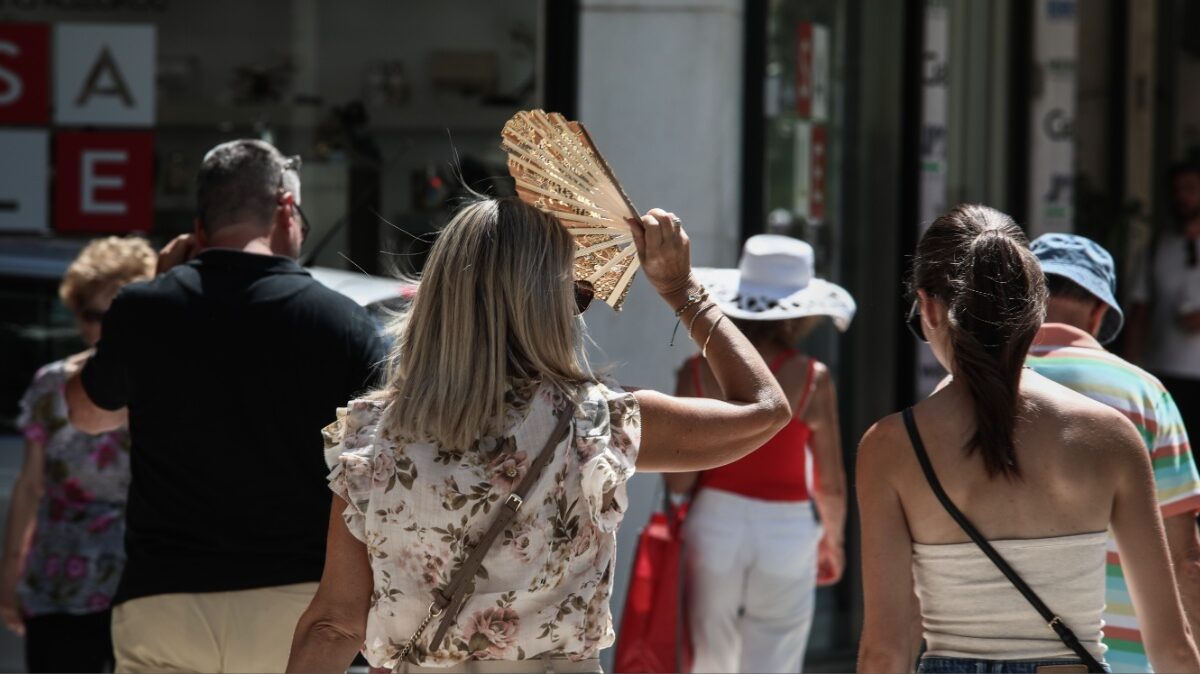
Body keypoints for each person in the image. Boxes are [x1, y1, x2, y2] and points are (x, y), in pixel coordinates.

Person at [285, 198, 793, 674]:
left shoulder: (373, 437)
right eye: (575, 291)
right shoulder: (596, 423)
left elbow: (334, 624)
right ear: (547, 304)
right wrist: (681, 289)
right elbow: (765, 409)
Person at [63, 139, 388, 673]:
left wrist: (151, 289)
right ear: (286, 209)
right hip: (296, 607)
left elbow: (85, 412)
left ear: (200, 226)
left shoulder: (144, 309)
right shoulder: (342, 323)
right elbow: (384, 459)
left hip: (163, 602)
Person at [856, 204, 1200, 673]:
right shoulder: (1112, 436)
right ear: (1034, 309)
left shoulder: (889, 446)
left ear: (930, 308)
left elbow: (885, 650)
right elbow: (1172, 647)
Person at [664, 234, 853, 673]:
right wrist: (833, 540)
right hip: (787, 529)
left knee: (709, 654)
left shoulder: (694, 371)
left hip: (714, 522)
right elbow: (829, 483)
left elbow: (678, 479)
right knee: (777, 655)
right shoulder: (813, 377)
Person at [1026, 232, 1200, 673]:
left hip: (997, 654)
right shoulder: (1146, 395)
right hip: (1121, 657)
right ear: (1101, 313)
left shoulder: (972, 389)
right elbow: (1183, 557)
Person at [2, 237, 155, 673]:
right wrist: (9, 575)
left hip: (136, 586)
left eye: (119, 315)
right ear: (76, 315)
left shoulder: (162, 388)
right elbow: (30, 485)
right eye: (93, 315)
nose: (105, 328)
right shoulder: (50, 385)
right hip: (57, 581)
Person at [1125, 161, 1200, 463]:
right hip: (1164, 372)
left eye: (1191, 189)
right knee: (1170, 457)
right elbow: (1140, 309)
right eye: (1177, 190)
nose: (1182, 197)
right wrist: (1130, 366)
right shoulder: (1157, 248)